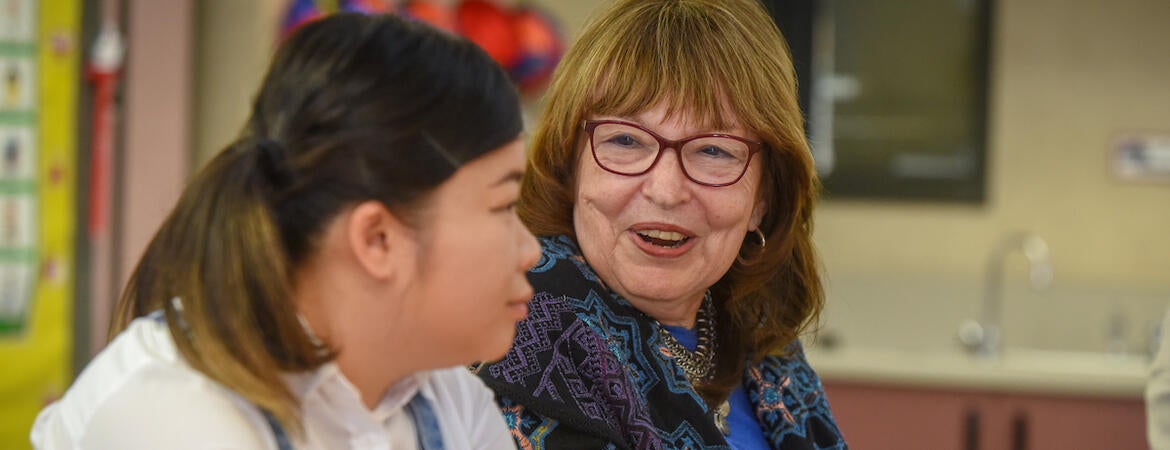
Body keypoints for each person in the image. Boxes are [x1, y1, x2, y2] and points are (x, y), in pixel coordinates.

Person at [31, 13, 538, 449]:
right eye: (504, 206)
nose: (532, 250)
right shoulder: (173, 414)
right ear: (377, 239)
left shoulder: (447, 397)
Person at [473, 0, 848, 448]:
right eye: (626, 140)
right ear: (569, 167)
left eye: (713, 150)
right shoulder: (500, 341)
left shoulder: (766, 349)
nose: (666, 191)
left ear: (763, 198)